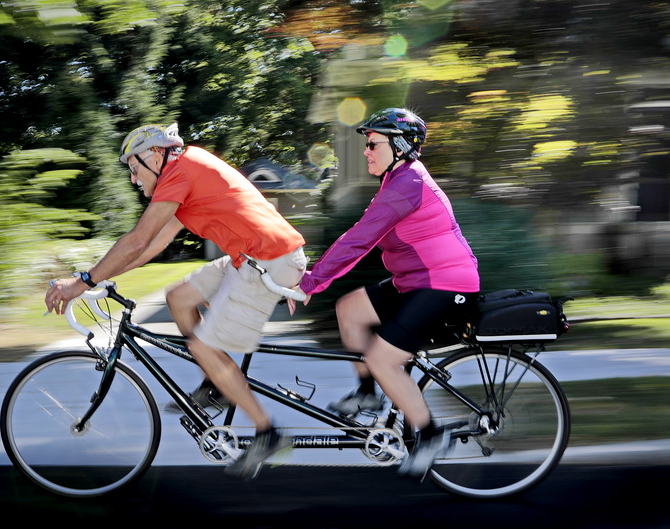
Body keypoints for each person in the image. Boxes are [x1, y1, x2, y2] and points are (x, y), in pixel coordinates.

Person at [45, 123, 307, 479]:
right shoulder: (184, 171)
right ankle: (217, 385)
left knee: (206, 347)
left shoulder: (180, 171)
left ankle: (267, 433)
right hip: (251, 258)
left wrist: (83, 281)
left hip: (268, 262)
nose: (134, 180)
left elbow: (138, 240)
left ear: (155, 154)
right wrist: (99, 276)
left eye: (134, 169)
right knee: (179, 297)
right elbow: (151, 245)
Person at [294, 108, 480, 479]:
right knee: (350, 309)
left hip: (445, 285)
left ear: (398, 146)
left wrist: (311, 281)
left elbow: (359, 240)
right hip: (415, 282)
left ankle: (429, 436)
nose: (366, 150)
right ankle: (367, 394)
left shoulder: (407, 185)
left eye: (372, 143)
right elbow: (362, 237)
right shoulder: (398, 180)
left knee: (383, 359)